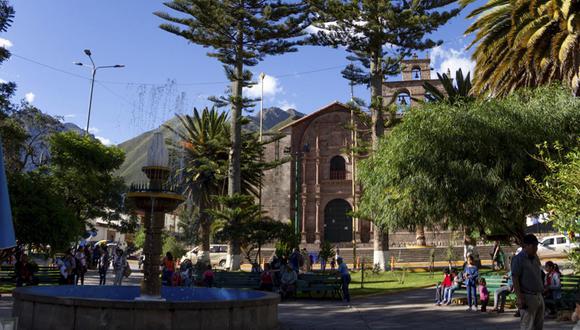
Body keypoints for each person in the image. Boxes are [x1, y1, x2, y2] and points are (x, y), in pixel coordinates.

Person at [512, 234, 545, 330]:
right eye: (534, 246)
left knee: (539, 326)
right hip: (527, 297)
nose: (536, 248)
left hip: (539, 296)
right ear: (526, 246)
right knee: (527, 326)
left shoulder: (535, 257)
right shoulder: (518, 259)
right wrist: (519, 298)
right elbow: (515, 278)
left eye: (536, 246)